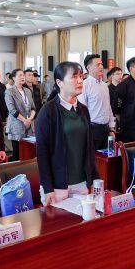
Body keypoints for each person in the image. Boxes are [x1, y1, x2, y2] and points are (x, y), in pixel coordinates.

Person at [36, 61, 98, 204]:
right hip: (57, 186)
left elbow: (89, 148)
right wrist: (48, 188)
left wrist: (94, 178)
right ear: (59, 82)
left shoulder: (83, 110)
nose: (80, 81)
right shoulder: (48, 112)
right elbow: (42, 153)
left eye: (81, 76)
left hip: (82, 183)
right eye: (74, 77)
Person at [79, 53, 115, 150]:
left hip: (106, 129)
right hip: (92, 129)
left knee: (107, 156)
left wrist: (111, 128)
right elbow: (82, 111)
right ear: (89, 68)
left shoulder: (104, 85)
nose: (101, 67)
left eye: (101, 64)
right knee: (93, 157)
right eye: (98, 65)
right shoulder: (85, 85)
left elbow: (108, 107)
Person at [5, 69, 36, 160]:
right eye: (20, 75)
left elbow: (33, 108)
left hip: (29, 126)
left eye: (23, 75)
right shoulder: (9, 91)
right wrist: (25, 120)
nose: (23, 77)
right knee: (17, 154)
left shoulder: (27, 91)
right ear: (14, 78)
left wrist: (30, 119)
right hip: (16, 126)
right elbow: (12, 110)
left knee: (29, 153)